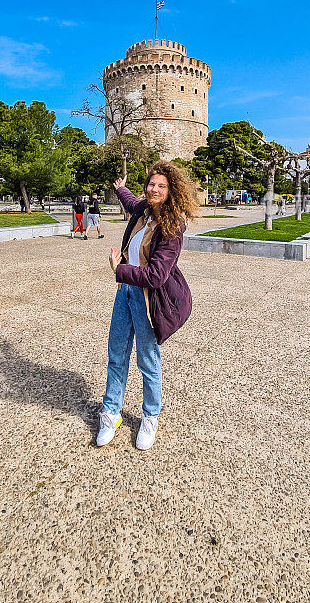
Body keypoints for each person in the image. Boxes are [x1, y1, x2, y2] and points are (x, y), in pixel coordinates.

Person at [97, 160, 198, 451]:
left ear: (171, 192)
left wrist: (119, 269)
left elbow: (155, 276)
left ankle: (150, 416)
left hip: (147, 299)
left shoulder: (172, 227)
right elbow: (131, 202)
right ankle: (111, 412)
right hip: (125, 295)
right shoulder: (142, 210)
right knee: (116, 355)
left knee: (148, 361)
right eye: (151, 184)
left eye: (161, 186)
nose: (154, 189)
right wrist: (121, 189)